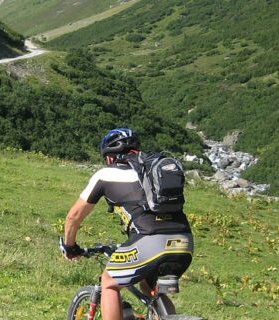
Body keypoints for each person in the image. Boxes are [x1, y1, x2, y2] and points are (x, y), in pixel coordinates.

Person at [60, 128, 194, 320]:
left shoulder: (105, 174)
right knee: (150, 288)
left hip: (149, 241)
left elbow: (73, 216)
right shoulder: (153, 171)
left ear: (108, 157)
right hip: (184, 242)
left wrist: (70, 246)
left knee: (108, 282)